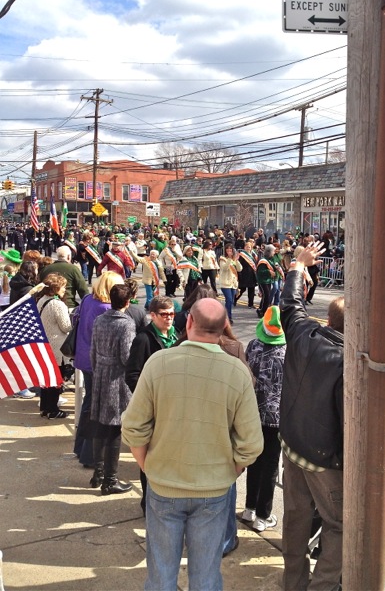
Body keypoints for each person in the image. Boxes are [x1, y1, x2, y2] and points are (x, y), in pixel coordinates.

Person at [122, 298, 263, 591]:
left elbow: (133, 427)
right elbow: (251, 444)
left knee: (160, 573)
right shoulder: (237, 372)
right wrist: (229, 471)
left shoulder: (159, 363)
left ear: (187, 322)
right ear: (225, 326)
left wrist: (146, 464)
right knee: (206, 575)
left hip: (163, 485)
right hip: (213, 489)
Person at [279, 241, 344, 591]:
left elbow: (290, 303)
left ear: (329, 318)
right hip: (324, 460)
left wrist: (297, 266)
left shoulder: (304, 333)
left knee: (296, 519)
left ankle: (294, 582)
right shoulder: (350, 363)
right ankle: (322, 585)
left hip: (292, 447)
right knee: (340, 526)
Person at [125, 297, 178, 513]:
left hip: (173, 407)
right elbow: (132, 374)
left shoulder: (176, 337)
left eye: (172, 314)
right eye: (164, 315)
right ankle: (149, 504)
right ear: (152, 315)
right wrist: (150, 398)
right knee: (150, 457)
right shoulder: (143, 340)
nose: (169, 319)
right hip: (153, 407)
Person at [73, 271, 124, 468]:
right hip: (98, 362)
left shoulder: (87, 299)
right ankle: (89, 454)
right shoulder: (106, 308)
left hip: (85, 357)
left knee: (89, 405)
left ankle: (80, 447)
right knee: (98, 409)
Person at [242, 305, 286, 532]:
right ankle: (263, 515)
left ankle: (249, 507)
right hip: (276, 417)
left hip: (253, 412)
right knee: (270, 465)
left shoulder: (253, 345)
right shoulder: (288, 350)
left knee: (254, 461)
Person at [90, 284, 136, 495]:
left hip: (100, 374)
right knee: (115, 428)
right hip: (116, 378)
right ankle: (110, 479)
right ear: (127, 302)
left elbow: (93, 350)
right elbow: (127, 356)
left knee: (100, 426)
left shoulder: (100, 319)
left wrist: (98, 368)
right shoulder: (126, 324)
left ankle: (98, 473)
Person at [36, 273, 72, 419]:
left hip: (45, 345)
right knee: (56, 380)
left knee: (47, 380)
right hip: (57, 346)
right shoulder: (57, 304)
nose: (65, 289)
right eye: (63, 287)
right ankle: (53, 409)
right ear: (56, 288)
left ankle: (45, 407)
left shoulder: (42, 300)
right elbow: (66, 327)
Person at [39, 245, 88, 309]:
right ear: (68, 257)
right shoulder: (73, 269)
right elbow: (83, 290)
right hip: (68, 305)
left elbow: (39, 288)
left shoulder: (46, 269)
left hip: (48, 305)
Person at [218, 242, 242, 324]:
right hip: (225, 283)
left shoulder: (233, 260)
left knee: (231, 301)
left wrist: (236, 260)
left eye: (230, 250)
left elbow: (239, 269)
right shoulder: (222, 259)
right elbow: (224, 268)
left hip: (233, 283)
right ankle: (228, 317)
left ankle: (226, 316)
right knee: (228, 300)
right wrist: (229, 259)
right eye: (227, 250)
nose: (229, 251)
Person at [256, 244, 276, 318]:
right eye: (273, 251)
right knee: (266, 295)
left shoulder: (271, 259)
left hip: (268, 280)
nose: (274, 253)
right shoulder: (263, 260)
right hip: (263, 280)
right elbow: (260, 271)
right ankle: (263, 311)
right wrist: (269, 272)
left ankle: (261, 309)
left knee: (266, 296)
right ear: (270, 252)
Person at [235, 241, 257, 308]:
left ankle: (251, 304)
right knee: (242, 289)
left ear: (251, 248)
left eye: (249, 247)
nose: (248, 248)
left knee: (251, 290)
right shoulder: (242, 254)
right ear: (244, 247)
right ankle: (234, 300)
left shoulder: (253, 255)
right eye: (247, 247)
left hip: (251, 274)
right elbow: (238, 264)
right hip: (244, 273)